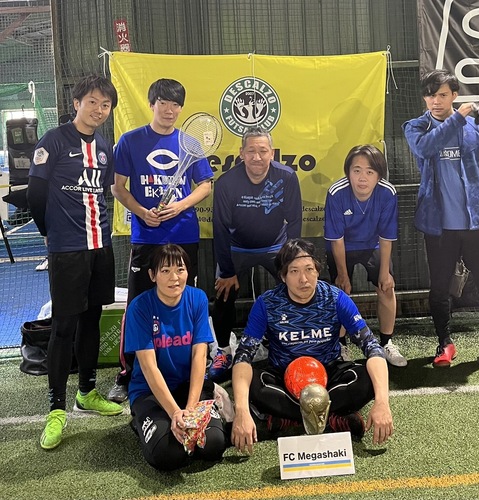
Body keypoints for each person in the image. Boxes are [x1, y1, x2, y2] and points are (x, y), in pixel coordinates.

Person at [27, 74, 123, 450]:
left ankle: (86, 391)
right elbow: (36, 194)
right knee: (63, 326)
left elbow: (103, 194)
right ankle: (56, 409)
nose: (99, 109)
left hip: (101, 248)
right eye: (93, 102)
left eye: (106, 104)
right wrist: (46, 232)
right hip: (66, 250)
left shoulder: (105, 147)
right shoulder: (53, 140)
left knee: (91, 320)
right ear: (76, 103)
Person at [231, 239, 394, 454]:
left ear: (317, 270)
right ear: (283, 276)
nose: (303, 279)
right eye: (294, 271)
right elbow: (243, 355)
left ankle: (287, 419)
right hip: (283, 379)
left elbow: (371, 346)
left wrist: (382, 402)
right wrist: (241, 411)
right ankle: (332, 417)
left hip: (329, 377)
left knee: (368, 378)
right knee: (251, 383)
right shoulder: (267, 303)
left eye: (309, 269)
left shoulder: (336, 298)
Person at [108, 79, 214, 403]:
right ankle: (127, 375)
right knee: (137, 306)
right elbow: (117, 187)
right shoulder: (130, 141)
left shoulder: (190, 144)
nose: (169, 110)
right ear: (151, 104)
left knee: (186, 304)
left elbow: (205, 185)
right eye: (163, 103)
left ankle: (190, 371)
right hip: (147, 238)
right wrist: (142, 212)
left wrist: (180, 206)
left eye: (175, 104)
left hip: (184, 236)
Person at [403, 69, 479, 370]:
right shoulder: (416, 127)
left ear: (454, 95)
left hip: (478, 224)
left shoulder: (476, 128)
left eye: (442, 95)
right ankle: (444, 342)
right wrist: (458, 117)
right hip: (438, 227)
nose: (435, 101)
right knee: (439, 289)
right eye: (430, 95)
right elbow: (425, 148)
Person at [209, 126, 302, 381]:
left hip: (276, 247)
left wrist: (291, 261)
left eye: (262, 151)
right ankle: (223, 351)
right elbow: (220, 228)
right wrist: (227, 271)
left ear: (272, 153)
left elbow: (295, 221)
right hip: (237, 248)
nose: (257, 157)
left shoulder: (287, 176)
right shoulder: (226, 182)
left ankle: (289, 343)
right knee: (223, 292)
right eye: (251, 151)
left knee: (296, 287)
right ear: (241, 154)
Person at [125, 244, 227, 470]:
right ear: (152, 275)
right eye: (165, 271)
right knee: (168, 455)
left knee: (213, 445)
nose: (174, 278)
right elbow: (149, 368)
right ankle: (141, 421)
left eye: (180, 270)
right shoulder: (139, 307)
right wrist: (174, 412)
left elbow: (200, 356)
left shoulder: (197, 298)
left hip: (188, 387)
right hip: (149, 392)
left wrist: (190, 411)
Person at [324, 144, 407, 367]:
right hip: (343, 246)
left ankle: (387, 342)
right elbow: (336, 239)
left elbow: (386, 236)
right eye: (357, 170)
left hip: (373, 245)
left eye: (370, 171)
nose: (362, 177)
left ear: (378, 175)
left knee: (387, 286)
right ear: (348, 172)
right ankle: (340, 345)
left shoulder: (387, 192)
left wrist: (385, 274)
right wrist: (343, 275)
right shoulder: (336, 193)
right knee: (340, 291)